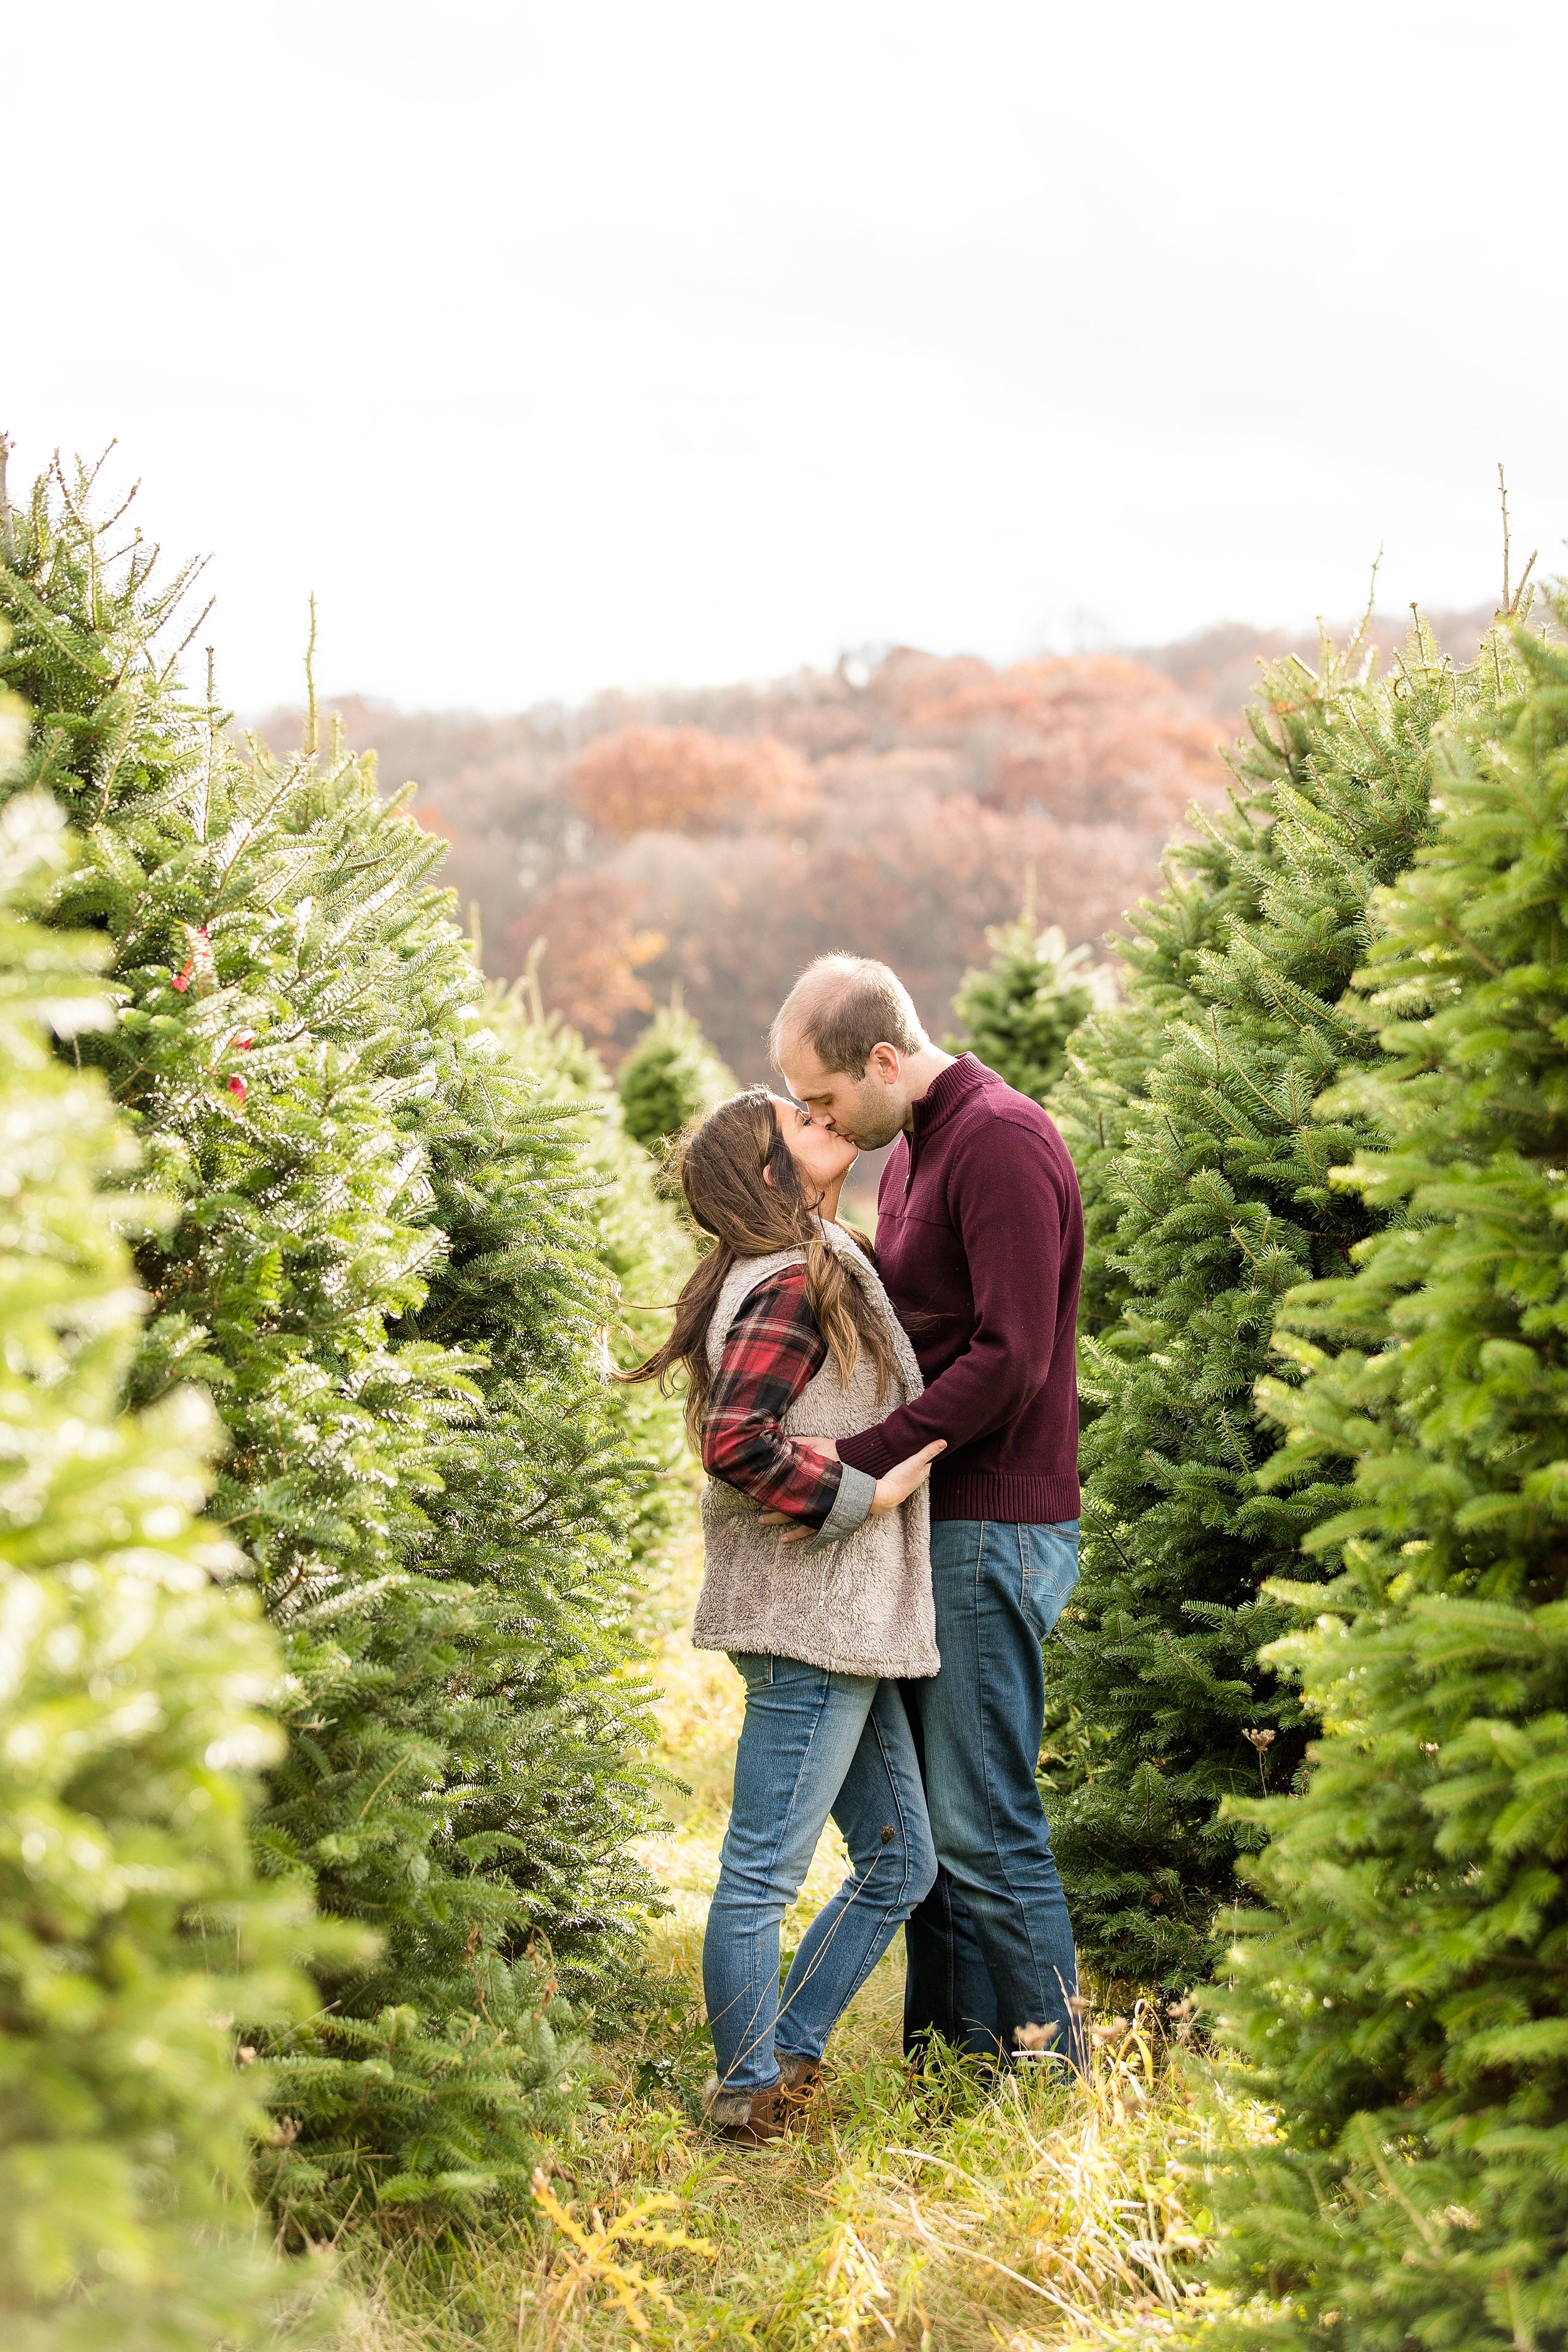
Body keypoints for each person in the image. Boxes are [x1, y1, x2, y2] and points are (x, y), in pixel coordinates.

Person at [770, 954, 1085, 2073]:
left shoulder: (999, 1140)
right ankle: (952, 2072)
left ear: (886, 1061)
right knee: (943, 1841)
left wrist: (857, 1463)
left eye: (823, 1100)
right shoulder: (908, 1149)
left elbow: (1013, 1357)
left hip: (994, 1526)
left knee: (988, 1826)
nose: (818, 1122)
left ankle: (1055, 2082)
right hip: (939, 1525)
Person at [622, 1086, 945, 2144]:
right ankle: (744, 2089)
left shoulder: (815, 1259)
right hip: (808, 1619)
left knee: (903, 1861)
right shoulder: (787, 1283)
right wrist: (869, 1490)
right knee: (762, 1866)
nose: (828, 1119)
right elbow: (734, 1439)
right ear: (772, 1172)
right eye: (800, 1121)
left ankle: (781, 2060)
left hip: (841, 1620)